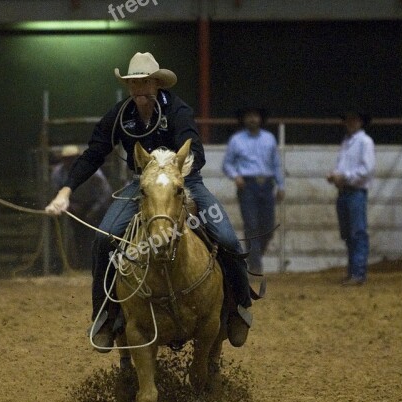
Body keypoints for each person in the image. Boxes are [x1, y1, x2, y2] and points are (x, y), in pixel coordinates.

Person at [45, 52, 253, 352]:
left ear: (157, 83)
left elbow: (197, 151)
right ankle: (104, 314)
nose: (139, 89)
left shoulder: (178, 111)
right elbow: (94, 153)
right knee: (104, 240)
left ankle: (238, 309)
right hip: (142, 184)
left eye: (144, 82)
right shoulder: (120, 115)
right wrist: (66, 190)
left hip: (184, 181)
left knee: (228, 240)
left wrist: (173, 175)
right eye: (133, 83)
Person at [222, 107, 285, 274]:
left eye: (255, 116)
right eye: (249, 116)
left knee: (267, 226)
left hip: (267, 184)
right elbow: (227, 164)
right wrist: (236, 176)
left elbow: (276, 164)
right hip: (247, 185)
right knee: (251, 225)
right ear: (243, 119)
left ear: (260, 118)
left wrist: (281, 185)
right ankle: (256, 265)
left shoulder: (269, 138)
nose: (252, 119)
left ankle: (254, 257)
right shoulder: (236, 140)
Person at [326, 110, 376, 286]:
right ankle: (354, 272)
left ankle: (358, 273)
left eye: (354, 119)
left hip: (355, 191)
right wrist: (336, 175)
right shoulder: (348, 142)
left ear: (360, 122)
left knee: (356, 232)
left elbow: (367, 170)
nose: (350, 122)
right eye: (348, 119)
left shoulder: (364, 141)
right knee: (349, 233)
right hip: (347, 192)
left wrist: (343, 176)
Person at [50, 145, 112, 269]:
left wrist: (93, 211)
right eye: (66, 159)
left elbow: (106, 192)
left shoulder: (93, 171)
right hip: (71, 207)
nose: (69, 162)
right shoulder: (58, 173)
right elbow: (54, 193)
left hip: (94, 206)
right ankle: (73, 265)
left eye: (72, 158)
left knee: (96, 236)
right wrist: (69, 206)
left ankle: (93, 264)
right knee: (75, 236)